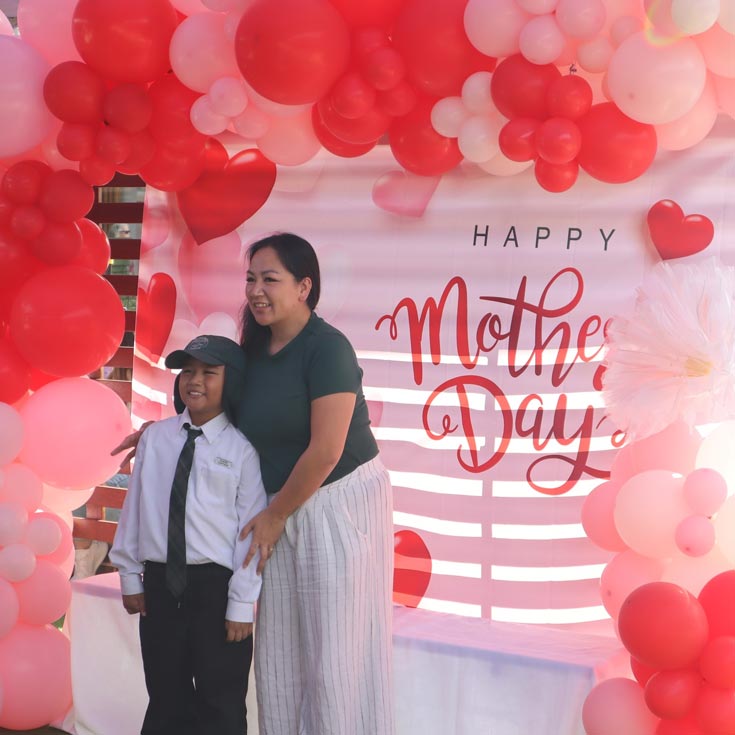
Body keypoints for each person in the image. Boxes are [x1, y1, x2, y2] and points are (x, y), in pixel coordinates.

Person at [115, 233, 395, 735]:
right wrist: (157, 437)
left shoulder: (327, 349)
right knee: (278, 656)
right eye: (250, 279)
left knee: (333, 656)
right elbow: (217, 410)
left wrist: (274, 515)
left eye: (270, 279)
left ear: (305, 286)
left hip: (333, 504)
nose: (256, 290)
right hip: (276, 506)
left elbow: (326, 451)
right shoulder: (254, 347)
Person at [110, 335, 267, 735]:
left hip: (215, 589)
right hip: (161, 584)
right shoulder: (156, 438)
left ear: (231, 382)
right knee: (166, 696)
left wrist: (241, 602)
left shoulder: (243, 450)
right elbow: (136, 508)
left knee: (222, 703)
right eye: (187, 371)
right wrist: (130, 574)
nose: (194, 380)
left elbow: (250, 533)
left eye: (209, 373)